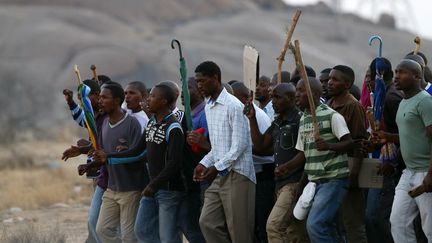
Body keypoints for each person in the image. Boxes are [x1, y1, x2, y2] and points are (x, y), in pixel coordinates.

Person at [277, 77, 353, 242]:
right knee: (330, 227)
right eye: (296, 90)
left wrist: (329, 146)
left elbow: (349, 143)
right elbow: (305, 154)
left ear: (316, 94)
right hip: (314, 181)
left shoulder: (331, 116)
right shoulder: (304, 118)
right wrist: (288, 168)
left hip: (333, 179)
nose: (297, 94)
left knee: (315, 224)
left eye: (301, 91)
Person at [192, 61, 256, 243]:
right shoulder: (209, 106)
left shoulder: (234, 105)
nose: (199, 85)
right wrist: (203, 163)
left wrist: (216, 167)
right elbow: (218, 146)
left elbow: (240, 145)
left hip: (238, 175)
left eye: (202, 81)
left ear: (215, 78)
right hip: (220, 173)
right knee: (207, 222)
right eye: (197, 81)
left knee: (239, 232)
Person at [245, 82, 309, 243]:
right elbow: (260, 146)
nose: (273, 101)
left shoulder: (300, 120)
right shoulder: (277, 122)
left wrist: (287, 167)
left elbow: (306, 152)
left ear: (290, 99)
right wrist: (252, 118)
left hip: (294, 183)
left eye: (277, 97)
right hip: (279, 184)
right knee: (294, 232)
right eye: (272, 96)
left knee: (273, 226)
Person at [385, 59, 432, 242]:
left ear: (417, 76)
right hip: (409, 172)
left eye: (402, 72)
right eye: (396, 72)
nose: (396, 76)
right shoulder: (405, 101)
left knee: (429, 228)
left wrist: (430, 174)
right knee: (397, 221)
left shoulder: (426, 102)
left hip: (425, 173)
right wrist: (388, 137)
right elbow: (411, 136)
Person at [94, 82, 144, 243]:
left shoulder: (132, 124)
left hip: (130, 190)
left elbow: (139, 156)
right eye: (99, 97)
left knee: (129, 237)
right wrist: (88, 165)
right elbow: (103, 155)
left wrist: (113, 155)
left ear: (116, 101)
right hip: (111, 188)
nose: (100, 101)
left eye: (104, 97)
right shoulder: (104, 125)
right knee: (102, 230)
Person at [62, 79, 107, 243]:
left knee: (102, 222)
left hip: (107, 174)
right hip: (97, 173)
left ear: (96, 95)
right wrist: (71, 102)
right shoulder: (92, 116)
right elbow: (81, 118)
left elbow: (102, 146)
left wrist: (84, 148)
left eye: (85, 99)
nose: (83, 103)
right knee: (96, 221)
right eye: (81, 100)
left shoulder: (107, 117)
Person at [327, 65, 368, 243]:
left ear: (347, 84)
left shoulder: (353, 106)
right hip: (331, 170)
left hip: (348, 170)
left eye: (335, 80)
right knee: (333, 222)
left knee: (352, 223)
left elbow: (360, 143)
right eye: (330, 78)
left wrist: (354, 174)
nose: (329, 82)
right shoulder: (329, 104)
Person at [364, 57, 403, 243]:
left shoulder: (392, 97)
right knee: (373, 217)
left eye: (370, 76)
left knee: (378, 217)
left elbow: (405, 134)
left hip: (390, 164)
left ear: (379, 75)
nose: (368, 81)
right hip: (379, 159)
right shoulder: (381, 94)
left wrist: (392, 160)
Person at [231, 82, 273, 243]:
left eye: (235, 98)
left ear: (246, 98)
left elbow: (265, 149)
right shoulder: (236, 114)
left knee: (261, 223)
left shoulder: (259, 117)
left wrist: (240, 148)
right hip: (247, 174)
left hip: (263, 174)